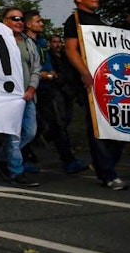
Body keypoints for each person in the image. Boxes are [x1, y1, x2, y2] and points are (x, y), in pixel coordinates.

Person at [63, 0, 127, 190]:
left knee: (120, 126)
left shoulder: (100, 21)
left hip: (108, 82)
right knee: (99, 128)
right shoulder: (74, 21)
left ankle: (103, 163)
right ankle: (108, 174)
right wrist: (85, 73)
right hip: (89, 83)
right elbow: (71, 50)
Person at [23, 10, 85, 174]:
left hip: (46, 88)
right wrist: (38, 74)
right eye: (38, 21)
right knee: (31, 125)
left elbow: (47, 62)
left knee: (58, 123)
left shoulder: (42, 42)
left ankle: (68, 160)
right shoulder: (22, 42)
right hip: (29, 88)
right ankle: (24, 156)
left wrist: (51, 73)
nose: (42, 24)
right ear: (28, 24)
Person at [0, 7, 41, 187]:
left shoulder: (29, 43)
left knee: (29, 132)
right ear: (4, 21)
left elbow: (36, 68)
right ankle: (16, 172)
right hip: (8, 97)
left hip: (27, 96)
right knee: (14, 136)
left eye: (21, 18)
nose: (19, 21)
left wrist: (32, 89)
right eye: (14, 18)